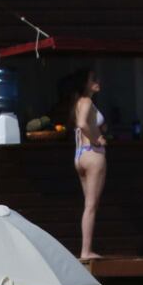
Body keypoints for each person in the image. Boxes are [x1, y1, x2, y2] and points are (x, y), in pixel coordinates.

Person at [63, 68, 108, 261]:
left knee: (88, 205)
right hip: (92, 153)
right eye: (93, 79)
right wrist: (96, 139)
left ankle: (86, 249)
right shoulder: (88, 101)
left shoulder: (78, 103)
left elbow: (81, 123)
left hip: (79, 155)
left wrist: (97, 129)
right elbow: (82, 124)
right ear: (86, 84)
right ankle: (86, 250)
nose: (97, 81)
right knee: (91, 205)